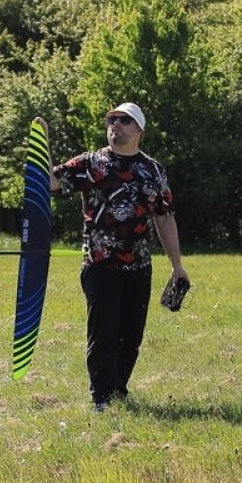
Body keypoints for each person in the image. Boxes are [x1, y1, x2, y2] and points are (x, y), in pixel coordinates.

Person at [49, 102, 189, 411]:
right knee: (104, 333)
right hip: (100, 265)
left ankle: (117, 392)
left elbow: (164, 216)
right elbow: (50, 182)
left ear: (139, 130)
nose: (115, 124)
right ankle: (100, 399)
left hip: (139, 266)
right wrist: (39, 153)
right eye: (112, 119)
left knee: (131, 336)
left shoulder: (153, 170)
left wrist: (177, 265)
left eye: (124, 120)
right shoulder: (91, 163)